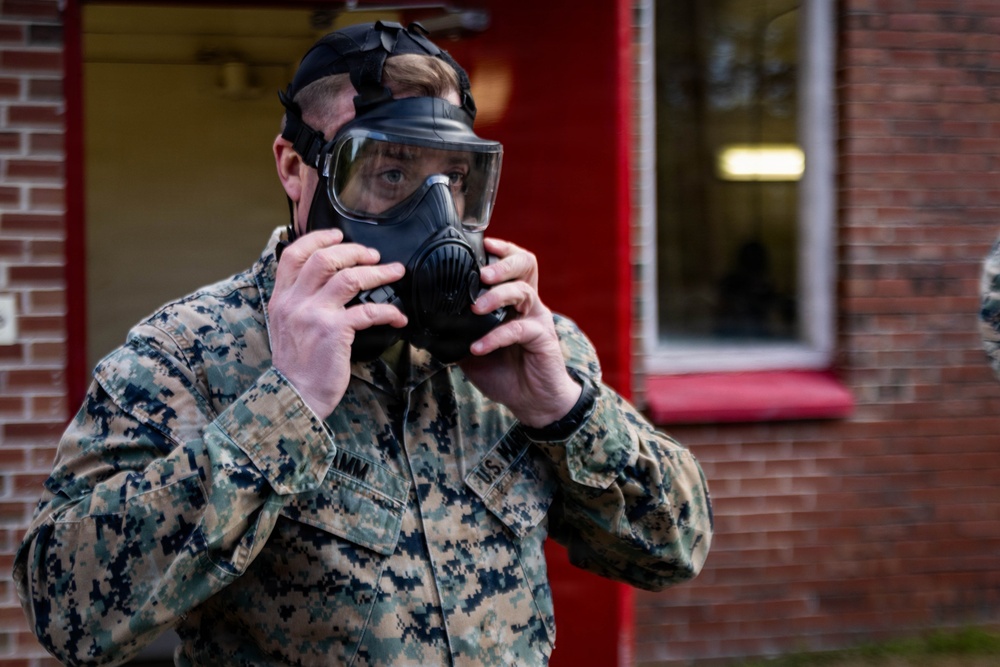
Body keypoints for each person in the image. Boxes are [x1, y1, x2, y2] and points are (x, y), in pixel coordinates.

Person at [14, 21, 713, 667]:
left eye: (454, 181)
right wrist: (284, 410)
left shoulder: (516, 342)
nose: (433, 215)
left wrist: (564, 412)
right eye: (389, 175)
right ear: (294, 168)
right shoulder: (186, 354)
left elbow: (672, 550)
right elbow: (67, 610)